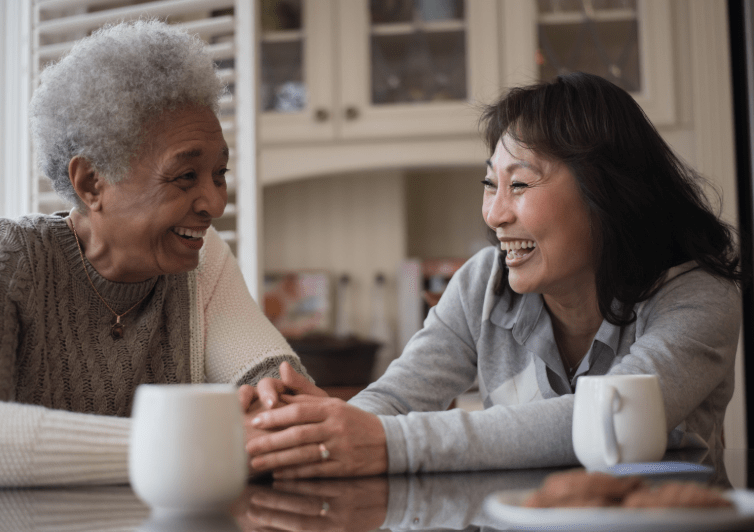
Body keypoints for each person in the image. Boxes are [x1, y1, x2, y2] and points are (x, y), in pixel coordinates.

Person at [243, 72, 744, 478]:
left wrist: (391, 442)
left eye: (520, 184)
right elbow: (396, 398)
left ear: (606, 194)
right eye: (490, 184)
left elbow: (607, 418)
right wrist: (314, 424)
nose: (495, 214)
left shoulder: (697, 295)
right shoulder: (484, 281)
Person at [0, 20, 308, 488]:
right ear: (91, 183)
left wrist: (279, 403)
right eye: (185, 176)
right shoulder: (6, 256)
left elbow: (281, 392)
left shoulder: (201, 261)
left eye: (218, 173)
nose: (215, 204)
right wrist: (177, 444)